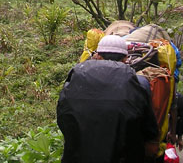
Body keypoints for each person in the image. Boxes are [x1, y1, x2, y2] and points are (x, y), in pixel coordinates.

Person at [57, 35, 159, 163]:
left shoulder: (77, 72)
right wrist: (151, 139)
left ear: (98, 55)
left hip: (78, 153)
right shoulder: (137, 81)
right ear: (125, 58)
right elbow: (146, 118)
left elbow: (62, 112)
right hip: (123, 155)